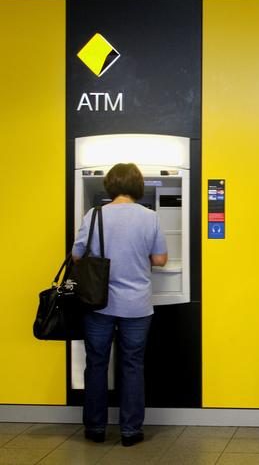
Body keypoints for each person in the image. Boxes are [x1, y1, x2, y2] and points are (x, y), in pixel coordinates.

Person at [72, 163, 168, 447]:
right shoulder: (150, 217)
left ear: (110, 185)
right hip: (136, 305)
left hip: (98, 304)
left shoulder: (95, 214)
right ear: (138, 186)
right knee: (132, 366)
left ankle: (95, 428)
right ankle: (130, 431)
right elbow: (160, 259)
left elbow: (77, 256)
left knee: (97, 364)